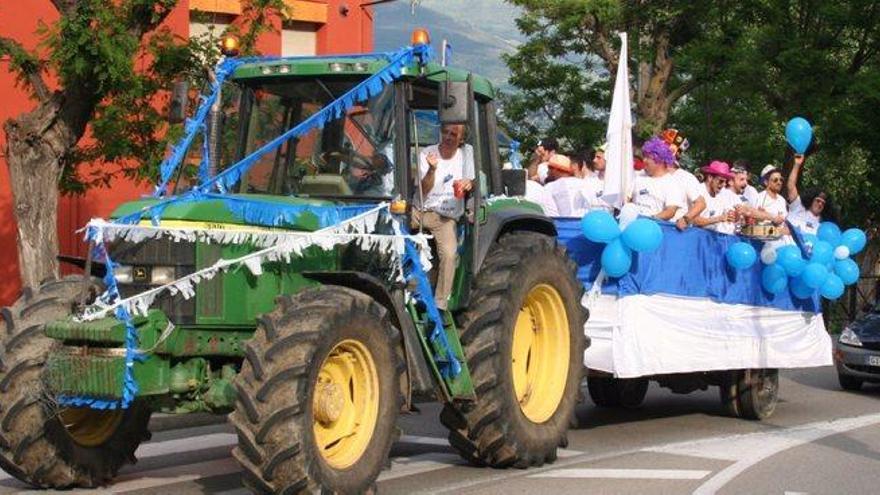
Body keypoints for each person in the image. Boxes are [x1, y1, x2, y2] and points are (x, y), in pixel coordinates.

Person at [412, 123, 475, 310]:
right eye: (445, 132)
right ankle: (403, 287)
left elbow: (471, 180)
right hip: (420, 210)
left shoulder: (466, 155)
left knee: (449, 253)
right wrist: (432, 170)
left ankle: (440, 302)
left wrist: (468, 184)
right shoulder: (427, 153)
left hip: (445, 217)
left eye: (453, 134)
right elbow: (423, 190)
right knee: (394, 229)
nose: (447, 137)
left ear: (461, 139)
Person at [628, 136, 686, 220]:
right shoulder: (638, 176)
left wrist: (649, 220)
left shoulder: (672, 183)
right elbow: (627, 199)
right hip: (631, 225)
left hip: (653, 227)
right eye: (644, 156)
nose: (644, 160)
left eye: (648, 157)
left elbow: (670, 211)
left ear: (659, 160)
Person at [660, 129, 706, 230]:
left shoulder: (686, 178)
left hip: (674, 231)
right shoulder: (650, 172)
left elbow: (701, 203)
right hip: (650, 227)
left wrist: (686, 219)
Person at [786, 154, 828, 235]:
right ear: (811, 200)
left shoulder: (822, 228)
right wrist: (797, 165)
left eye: (823, 203)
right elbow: (791, 186)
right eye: (818, 200)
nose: (820, 204)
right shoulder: (798, 206)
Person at [693, 161, 738, 234]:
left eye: (725, 182)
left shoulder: (721, 194)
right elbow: (693, 219)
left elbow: (729, 216)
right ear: (710, 177)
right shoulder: (698, 191)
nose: (723, 185)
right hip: (695, 235)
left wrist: (734, 216)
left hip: (711, 237)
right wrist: (718, 219)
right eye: (721, 181)